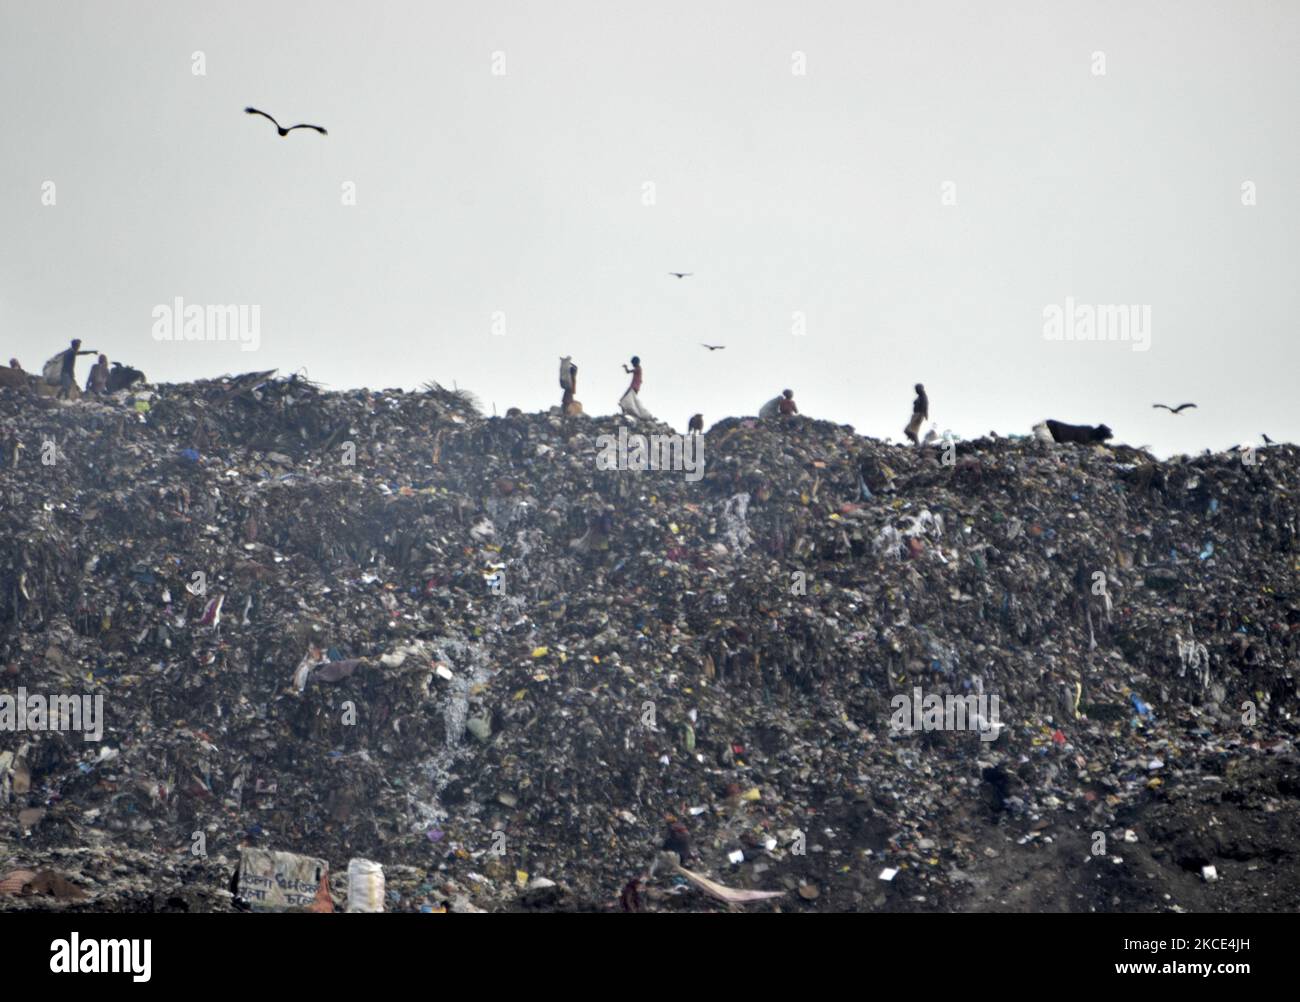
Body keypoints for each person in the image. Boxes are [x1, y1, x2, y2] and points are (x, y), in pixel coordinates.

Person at [619, 356, 652, 420]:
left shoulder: (638, 369)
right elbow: (628, 372)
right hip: (634, 388)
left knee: (623, 400)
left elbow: (629, 372)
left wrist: (626, 367)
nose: (632, 365)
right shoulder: (638, 369)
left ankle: (625, 414)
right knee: (628, 401)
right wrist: (625, 367)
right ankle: (626, 413)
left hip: (633, 387)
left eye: (633, 363)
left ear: (636, 363)